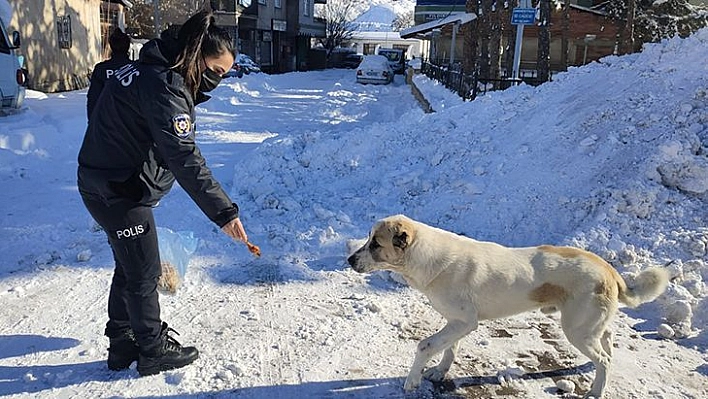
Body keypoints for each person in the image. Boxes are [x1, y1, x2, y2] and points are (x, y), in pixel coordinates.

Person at [77, 10, 248, 376]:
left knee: (130, 264)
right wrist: (224, 213)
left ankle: (123, 344)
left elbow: (99, 106)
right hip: (116, 189)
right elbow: (184, 156)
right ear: (195, 53)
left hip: (108, 182)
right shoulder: (165, 85)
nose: (216, 81)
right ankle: (152, 348)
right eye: (215, 71)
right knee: (144, 271)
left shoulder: (147, 71)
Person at [87, 28, 132, 120]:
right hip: (131, 123)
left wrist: (92, 123)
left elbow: (93, 98)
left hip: (106, 122)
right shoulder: (136, 69)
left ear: (111, 46)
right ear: (127, 47)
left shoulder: (101, 69)